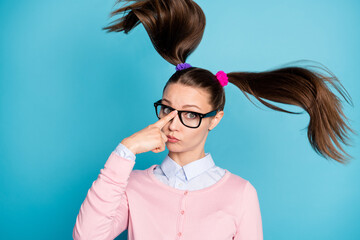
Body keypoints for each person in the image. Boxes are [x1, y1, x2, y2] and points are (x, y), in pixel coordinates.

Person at [73, 0, 356, 239]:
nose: (173, 123)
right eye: (167, 109)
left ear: (215, 119)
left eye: (190, 115)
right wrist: (126, 149)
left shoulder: (239, 193)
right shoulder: (132, 184)